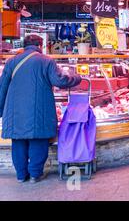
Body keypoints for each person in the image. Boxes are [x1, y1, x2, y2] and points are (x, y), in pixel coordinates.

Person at [0, 35, 81, 183]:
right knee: (38, 141)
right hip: (39, 111)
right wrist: (76, 78)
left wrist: (1, 111)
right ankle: (35, 175)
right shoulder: (46, 61)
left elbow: (2, 87)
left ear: (24, 45)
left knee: (18, 142)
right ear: (40, 44)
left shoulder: (11, 61)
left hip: (15, 112)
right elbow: (60, 81)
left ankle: (20, 176)